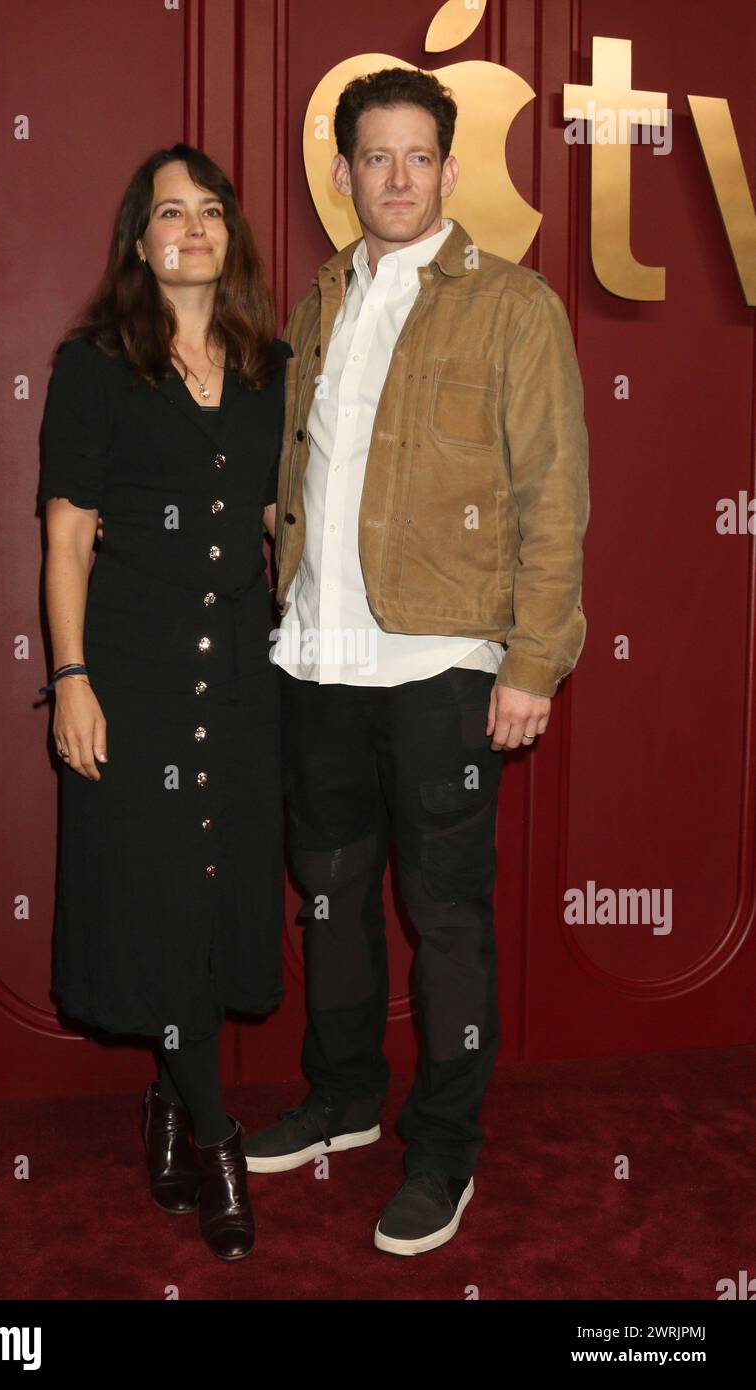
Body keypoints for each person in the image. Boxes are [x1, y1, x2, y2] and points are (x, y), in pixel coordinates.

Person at [242, 68, 590, 1257]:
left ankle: (441, 1145)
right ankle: (342, 1098)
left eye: (416, 157)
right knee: (330, 902)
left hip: (442, 663)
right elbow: (297, 475)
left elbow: (554, 496)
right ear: (340, 173)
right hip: (317, 660)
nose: (395, 178)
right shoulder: (318, 299)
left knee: (443, 919)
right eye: (372, 157)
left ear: (449, 170)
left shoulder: (512, 306)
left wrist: (532, 661)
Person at [36, 142, 290, 1261]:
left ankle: (164, 1101)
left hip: (239, 672)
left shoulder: (272, 367)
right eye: (168, 212)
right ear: (137, 242)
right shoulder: (93, 365)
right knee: (153, 890)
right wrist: (72, 679)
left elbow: (283, 519)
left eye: (209, 211)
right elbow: (65, 537)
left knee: (208, 890)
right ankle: (218, 1139)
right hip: (131, 671)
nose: (191, 227)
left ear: (228, 235)